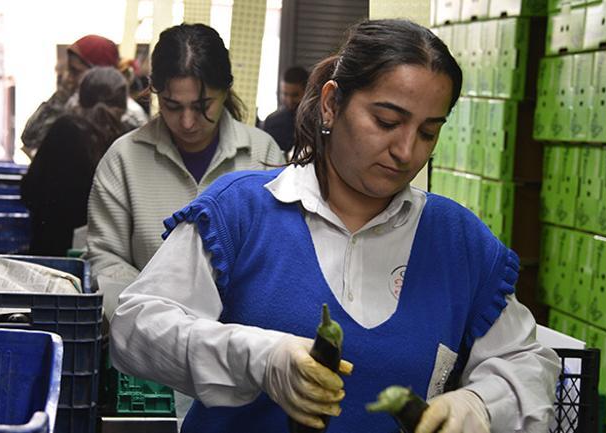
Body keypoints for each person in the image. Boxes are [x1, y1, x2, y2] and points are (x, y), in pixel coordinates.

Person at [109, 19, 560, 433]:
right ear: (331, 104)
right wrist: (259, 358)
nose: (406, 151)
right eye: (386, 121)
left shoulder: (457, 242)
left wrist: (482, 404)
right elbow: (137, 327)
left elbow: (526, 360)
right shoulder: (241, 211)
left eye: (428, 132)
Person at [84, 22, 284, 422]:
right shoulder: (124, 158)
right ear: (153, 93)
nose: (188, 122)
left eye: (204, 105)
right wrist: (165, 324)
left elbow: (280, 261)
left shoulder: (262, 156)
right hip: (151, 366)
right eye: (173, 107)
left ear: (227, 90)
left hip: (243, 362)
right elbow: (104, 259)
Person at [21, 67, 128, 256]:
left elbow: (30, 191)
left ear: (81, 98)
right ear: (124, 106)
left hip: (53, 255)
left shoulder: (63, 129)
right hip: (107, 259)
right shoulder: (128, 139)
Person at [21, 35, 147, 157]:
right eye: (69, 70)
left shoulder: (129, 114)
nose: (68, 77)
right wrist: (60, 97)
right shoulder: (71, 103)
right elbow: (30, 138)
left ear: (99, 72)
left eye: (75, 71)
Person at [261, 66, 309, 154]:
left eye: (295, 95)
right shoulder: (272, 122)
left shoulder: (317, 122)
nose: (289, 100)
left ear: (306, 92)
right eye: (285, 94)